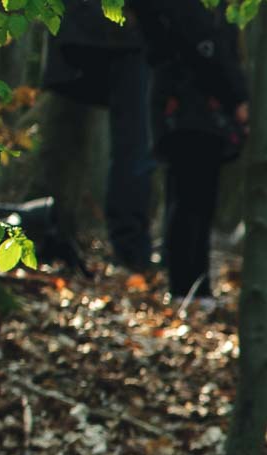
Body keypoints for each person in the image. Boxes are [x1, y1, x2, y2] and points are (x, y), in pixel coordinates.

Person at [128, 0, 248, 302]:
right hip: (188, 111)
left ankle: (196, 285)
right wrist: (237, 97)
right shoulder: (189, 10)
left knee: (198, 202)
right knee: (188, 202)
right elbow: (206, 49)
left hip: (195, 113)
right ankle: (184, 287)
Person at [42, 0, 154, 271]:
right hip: (122, 31)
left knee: (128, 143)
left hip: (84, 29)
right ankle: (129, 250)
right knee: (134, 144)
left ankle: (55, 228)